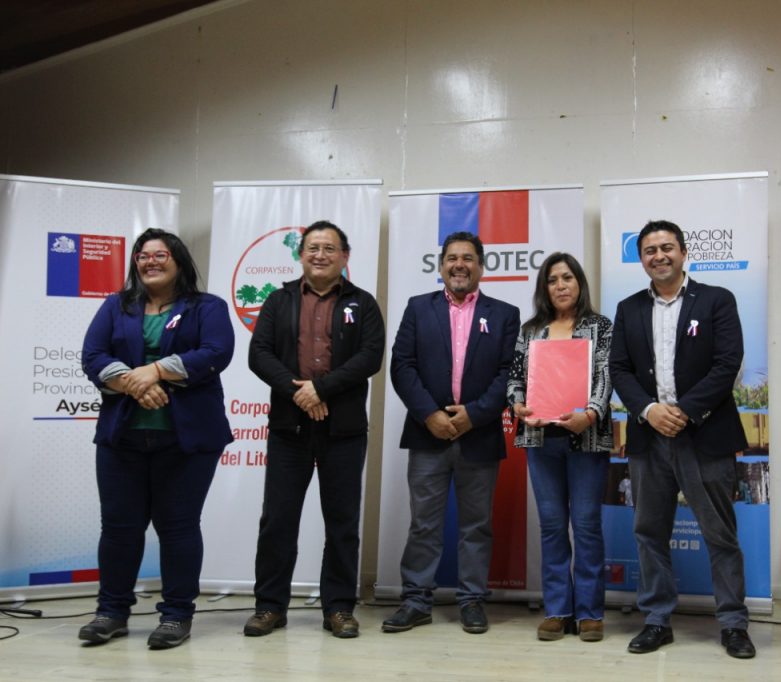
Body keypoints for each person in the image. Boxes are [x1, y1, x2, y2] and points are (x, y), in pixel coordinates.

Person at [79, 228, 234, 650]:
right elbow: (92, 356)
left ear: (178, 261)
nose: (150, 261)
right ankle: (111, 612)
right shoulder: (116, 306)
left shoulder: (207, 306)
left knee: (178, 527)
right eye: (142, 255)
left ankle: (176, 615)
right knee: (119, 528)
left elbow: (216, 352)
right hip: (122, 437)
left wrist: (156, 371)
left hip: (188, 440)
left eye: (160, 254)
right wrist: (135, 384)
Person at [609, 220, 755, 659]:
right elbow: (619, 369)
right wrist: (649, 410)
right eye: (649, 250)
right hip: (648, 436)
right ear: (641, 259)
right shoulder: (629, 308)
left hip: (704, 434)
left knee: (720, 534)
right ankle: (656, 620)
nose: (659, 256)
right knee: (649, 532)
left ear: (684, 252)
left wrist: (685, 411)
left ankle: (733, 623)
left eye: (666, 247)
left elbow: (728, 362)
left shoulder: (716, 300)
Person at [243, 220, 384, 639]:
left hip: (344, 430)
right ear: (301, 254)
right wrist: (299, 392)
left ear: (345, 256)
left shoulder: (363, 302)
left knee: (342, 522)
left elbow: (370, 356)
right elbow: (259, 354)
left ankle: (338, 608)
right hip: (289, 428)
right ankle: (270, 606)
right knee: (278, 520)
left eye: (329, 248)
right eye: (313, 248)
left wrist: (321, 389)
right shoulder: (279, 300)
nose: (320, 255)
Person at [385, 231, 519, 635]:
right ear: (441, 265)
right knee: (423, 524)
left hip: (478, 435)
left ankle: (472, 600)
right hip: (428, 434)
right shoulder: (418, 307)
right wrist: (430, 414)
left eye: (468, 258)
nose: (459, 265)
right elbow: (402, 365)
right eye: (452, 258)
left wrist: (473, 415)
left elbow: (509, 373)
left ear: (481, 266)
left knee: (476, 525)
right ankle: (416, 601)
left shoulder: (504, 314)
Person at [506, 252, 613, 642]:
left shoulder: (600, 326)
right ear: (544, 288)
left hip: (586, 438)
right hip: (541, 439)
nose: (561, 285)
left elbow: (606, 375)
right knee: (552, 527)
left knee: (586, 527)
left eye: (568, 278)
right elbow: (515, 379)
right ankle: (557, 610)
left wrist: (591, 412)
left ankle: (589, 613)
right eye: (552, 280)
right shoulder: (531, 330)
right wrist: (518, 405)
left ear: (579, 283)